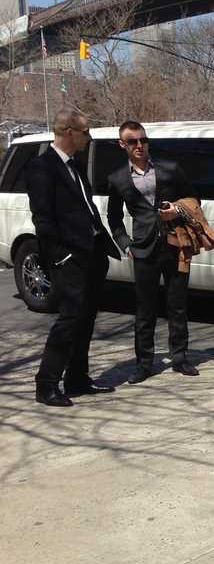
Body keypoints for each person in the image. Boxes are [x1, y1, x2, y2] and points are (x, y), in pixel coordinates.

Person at [25, 108, 121, 406]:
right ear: (69, 131)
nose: (89, 137)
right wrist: (61, 257)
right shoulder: (42, 167)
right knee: (69, 319)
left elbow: (84, 207)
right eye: (86, 132)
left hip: (92, 254)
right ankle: (46, 384)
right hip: (69, 259)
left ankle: (77, 378)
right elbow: (43, 218)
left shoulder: (75, 165)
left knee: (86, 318)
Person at [107, 121, 200, 383]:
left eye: (143, 140)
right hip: (143, 250)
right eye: (133, 141)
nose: (139, 145)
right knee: (145, 309)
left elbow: (194, 199)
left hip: (175, 244)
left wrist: (177, 211)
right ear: (122, 145)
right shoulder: (117, 179)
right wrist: (126, 245)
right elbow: (113, 217)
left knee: (177, 304)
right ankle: (144, 363)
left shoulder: (170, 169)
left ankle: (180, 358)